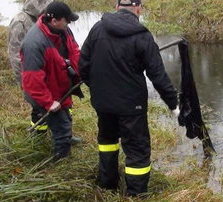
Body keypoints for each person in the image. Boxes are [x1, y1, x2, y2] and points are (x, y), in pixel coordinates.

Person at [79, 0, 180, 196]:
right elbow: (158, 75)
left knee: (107, 141)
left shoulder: (97, 29)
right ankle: (136, 195)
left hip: (103, 103)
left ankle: (108, 186)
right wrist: (173, 103)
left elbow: (83, 65)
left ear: (117, 7)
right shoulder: (142, 35)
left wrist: (98, 89)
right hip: (131, 105)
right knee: (137, 150)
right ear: (138, 9)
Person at [21, 1, 83, 160]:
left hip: (60, 85)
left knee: (66, 118)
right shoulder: (34, 43)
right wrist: (48, 102)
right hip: (45, 92)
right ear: (54, 21)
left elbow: (74, 50)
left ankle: (64, 140)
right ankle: (61, 162)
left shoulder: (64, 30)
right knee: (61, 127)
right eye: (67, 20)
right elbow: (32, 79)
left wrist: (81, 71)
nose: (69, 23)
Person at [8, 0, 52, 135]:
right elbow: (15, 55)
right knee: (38, 107)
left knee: (55, 105)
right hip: (31, 75)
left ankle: (60, 134)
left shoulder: (46, 19)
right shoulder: (20, 21)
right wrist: (24, 81)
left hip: (48, 73)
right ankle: (38, 136)